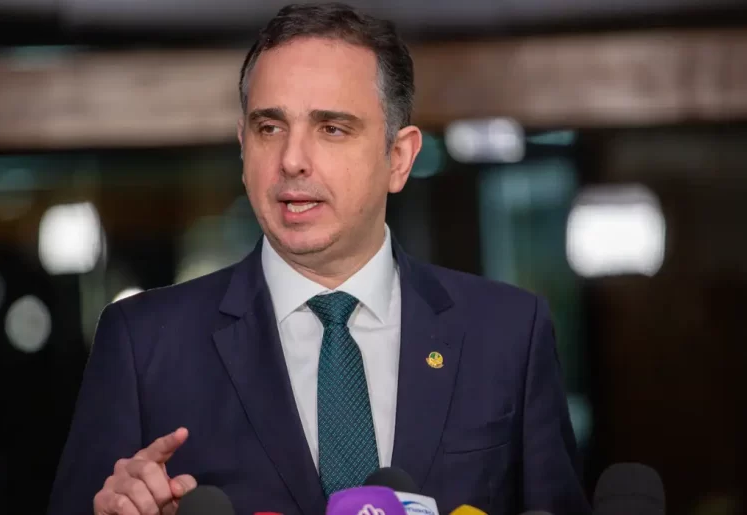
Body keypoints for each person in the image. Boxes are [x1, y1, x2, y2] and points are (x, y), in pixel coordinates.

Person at [47, 3, 591, 514]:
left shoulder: (507, 333)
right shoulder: (144, 344)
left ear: (398, 158)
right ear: (243, 148)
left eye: (331, 129)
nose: (292, 160)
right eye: (269, 128)